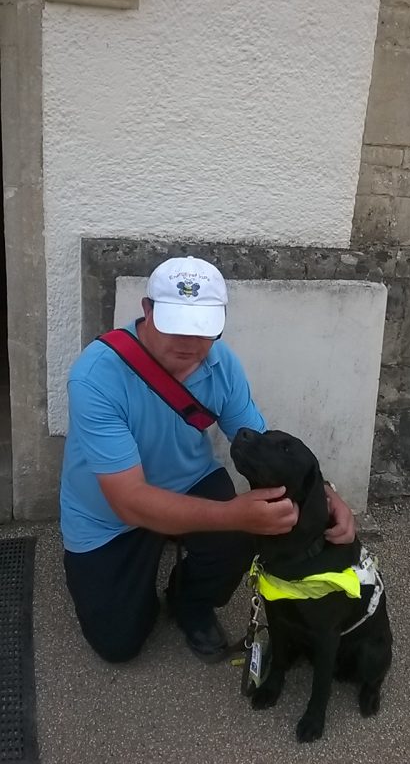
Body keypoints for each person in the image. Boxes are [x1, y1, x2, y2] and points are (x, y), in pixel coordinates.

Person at [60, 255, 355, 664]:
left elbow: (260, 446)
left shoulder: (222, 364)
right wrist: (233, 515)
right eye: (175, 324)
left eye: (201, 328)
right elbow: (128, 500)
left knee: (246, 533)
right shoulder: (96, 377)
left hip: (187, 480)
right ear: (147, 310)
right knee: (119, 643)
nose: (188, 342)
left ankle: (188, 598)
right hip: (108, 516)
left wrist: (325, 495)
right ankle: (129, 573)